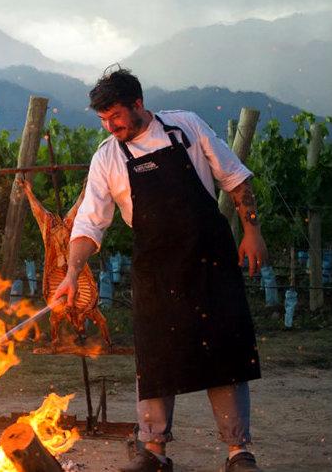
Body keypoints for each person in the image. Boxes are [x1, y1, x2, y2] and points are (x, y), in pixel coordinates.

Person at [52, 68, 267, 472]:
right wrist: (71, 273)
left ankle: (238, 451)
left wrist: (252, 232)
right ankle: (153, 451)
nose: (110, 126)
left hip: (210, 259)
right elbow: (89, 224)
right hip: (155, 268)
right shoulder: (107, 157)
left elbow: (235, 179)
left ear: (138, 104)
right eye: (103, 120)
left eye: (115, 116)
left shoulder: (184, 127)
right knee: (154, 359)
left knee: (224, 352)